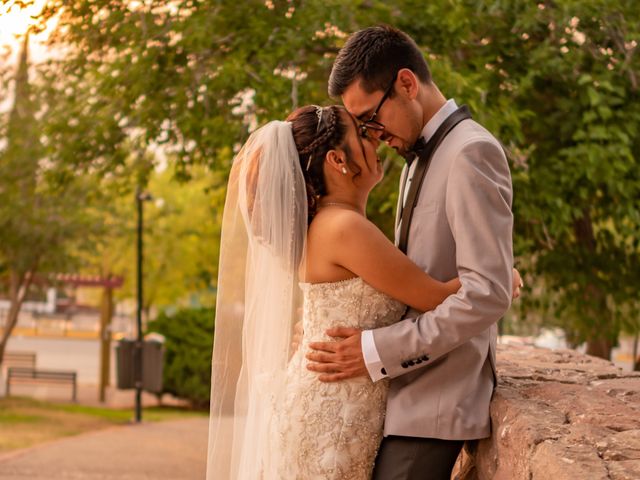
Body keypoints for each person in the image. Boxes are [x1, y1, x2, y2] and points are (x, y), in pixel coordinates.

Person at [206, 103, 520, 478]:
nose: (377, 140)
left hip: (324, 401)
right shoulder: (345, 228)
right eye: (363, 135)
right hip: (335, 415)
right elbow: (439, 298)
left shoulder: (321, 227)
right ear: (338, 159)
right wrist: (503, 276)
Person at [306, 25, 515, 480]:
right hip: (400, 400)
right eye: (363, 127)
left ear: (406, 83)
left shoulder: (471, 152)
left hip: (436, 405)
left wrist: (377, 349)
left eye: (372, 118)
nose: (373, 135)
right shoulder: (412, 161)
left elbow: (487, 294)